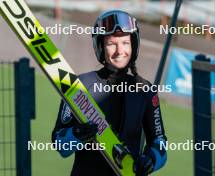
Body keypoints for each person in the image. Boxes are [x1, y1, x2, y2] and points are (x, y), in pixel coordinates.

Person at [52, 10, 167, 176]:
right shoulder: (81, 85)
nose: (120, 50)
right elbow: (59, 142)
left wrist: (151, 160)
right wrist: (76, 135)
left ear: (134, 45)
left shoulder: (145, 91)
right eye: (112, 43)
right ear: (100, 46)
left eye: (125, 43)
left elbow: (159, 141)